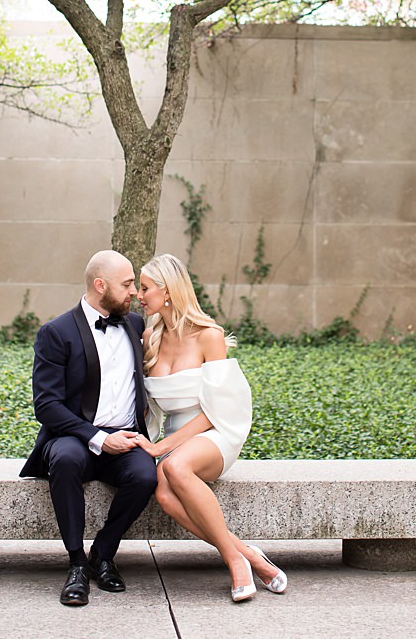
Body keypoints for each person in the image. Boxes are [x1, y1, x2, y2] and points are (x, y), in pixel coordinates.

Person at [130, 252, 286, 602]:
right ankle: (250, 555)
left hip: (215, 432)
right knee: (164, 492)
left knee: (175, 466)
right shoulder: (149, 339)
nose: (140, 296)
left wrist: (160, 449)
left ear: (167, 291)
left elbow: (218, 408)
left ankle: (233, 561)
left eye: (145, 288)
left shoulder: (208, 336)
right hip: (174, 437)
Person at [19, 249, 157, 607]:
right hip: (76, 438)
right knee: (63, 460)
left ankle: (103, 553)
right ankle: (77, 563)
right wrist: (98, 437)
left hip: (126, 436)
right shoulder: (56, 332)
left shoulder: (135, 325)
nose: (134, 293)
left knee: (145, 475)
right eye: (127, 284)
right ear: (100, 285)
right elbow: (46, 406)